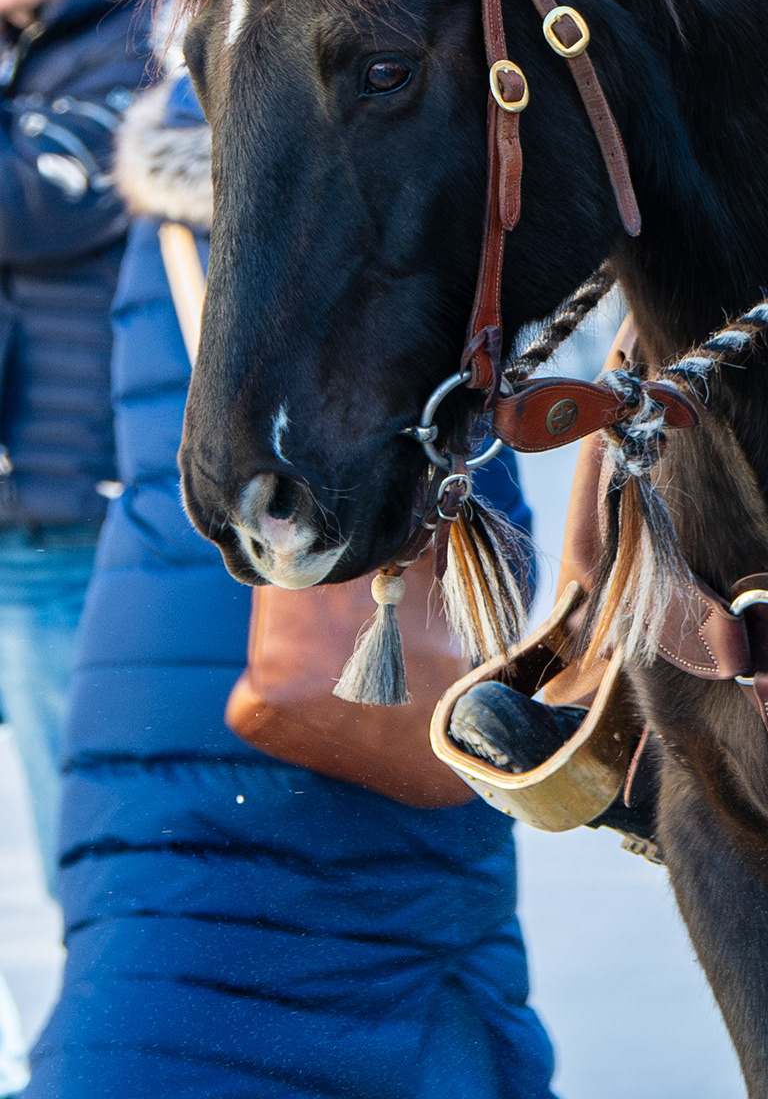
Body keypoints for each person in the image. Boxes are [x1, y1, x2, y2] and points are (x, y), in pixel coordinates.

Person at [32, 79, 552, 1096]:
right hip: (360, 689)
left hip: (148, 681)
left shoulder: (175, 194)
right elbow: (480, 502)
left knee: (157, 1005)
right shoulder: (396, 198)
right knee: (410, 1000)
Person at [0, 0, 159, 886]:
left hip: (71, 505)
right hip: (28, 493)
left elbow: (36, 195)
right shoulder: (39, 34)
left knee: (80, 841)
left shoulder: (152, 30)